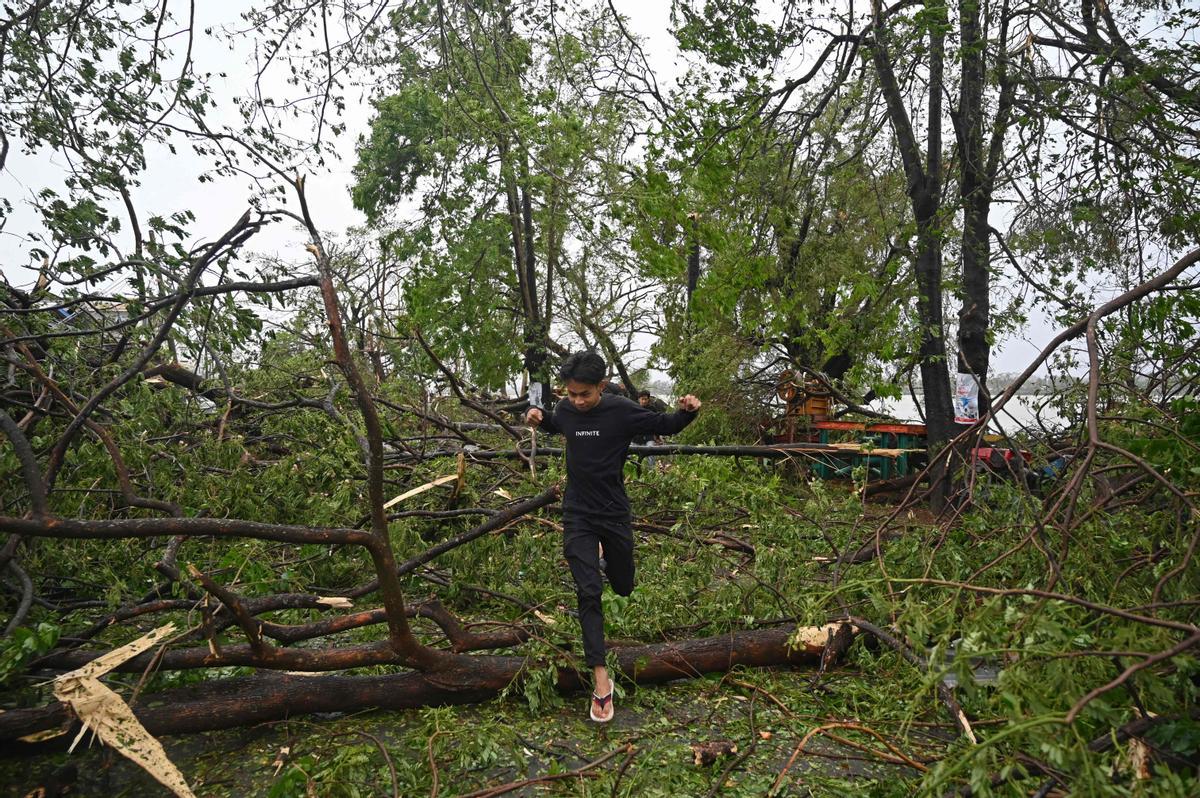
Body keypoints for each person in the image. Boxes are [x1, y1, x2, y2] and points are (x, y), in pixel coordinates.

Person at [525, 352, 701, 722]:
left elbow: (665, 425)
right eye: (571, 394)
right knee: (588, 591)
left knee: (622, 585)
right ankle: (600, 679)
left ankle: (607, 559)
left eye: (584, 394)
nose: (576, 401)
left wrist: (687, 411)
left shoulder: (621, 411)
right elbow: (559, 424)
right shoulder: (568, 409)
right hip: (577, 513)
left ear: (601, 387)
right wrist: (540, 420)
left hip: (614, 513)